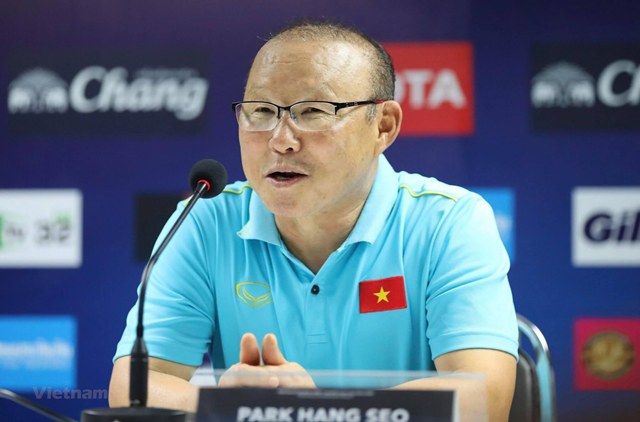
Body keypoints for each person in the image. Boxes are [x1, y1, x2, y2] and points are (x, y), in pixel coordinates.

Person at [109, 19, 518, 421]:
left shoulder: (449, 222)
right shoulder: (206, 221)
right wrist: (230, 405)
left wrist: (309, 410)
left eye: (313, 112)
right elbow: (133, 387)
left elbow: (484, 397)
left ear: (384, 126)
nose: (281, 140)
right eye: (261, 111)